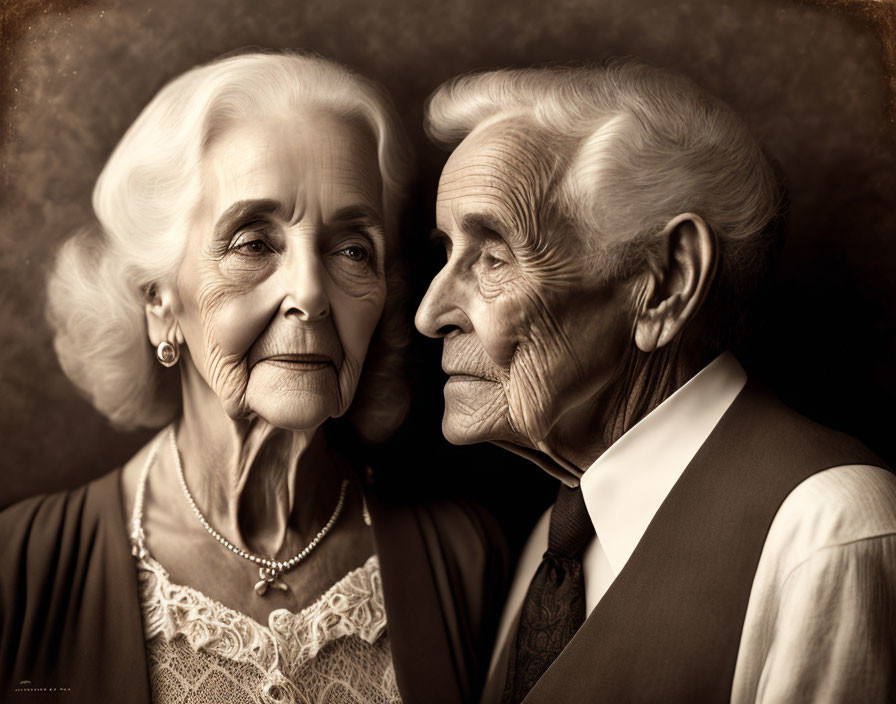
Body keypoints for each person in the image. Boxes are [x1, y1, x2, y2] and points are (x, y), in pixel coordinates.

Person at [0, 51, 506, 704]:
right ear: (159, 299)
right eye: (253, 242)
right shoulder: (21, 569)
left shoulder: (467, 557)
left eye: (353, 250)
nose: (310, 293)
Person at [415, 59, 896, 703]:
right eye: (445, 253)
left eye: (494, 256)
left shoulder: (828, 529)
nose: (429, 313)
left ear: (666, 283)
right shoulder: (556, 537)